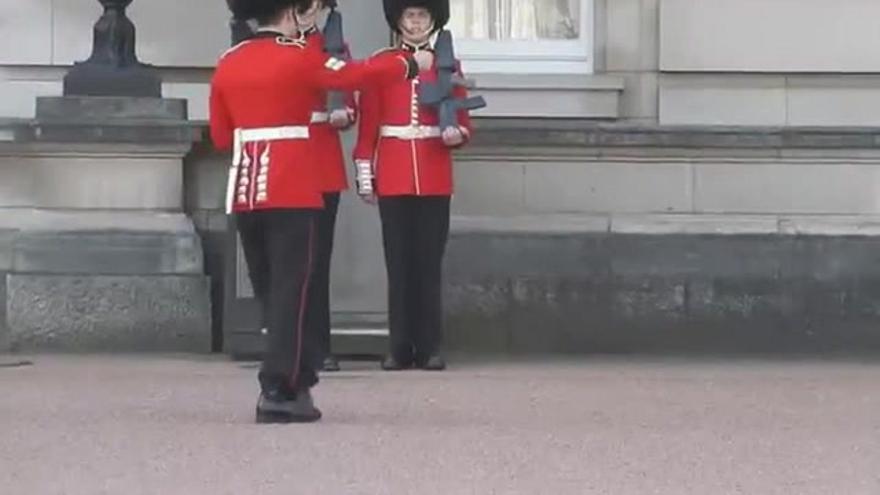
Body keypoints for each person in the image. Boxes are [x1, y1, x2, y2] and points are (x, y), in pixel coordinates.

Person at [211, 0, 421, 423]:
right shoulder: (298, 57)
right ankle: (281, 387)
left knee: (272, 294)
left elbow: (220, 135)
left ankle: (293, 374)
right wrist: (407, 63)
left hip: (247, 189)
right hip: (291, 188)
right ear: (290, 14)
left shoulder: (229, 61)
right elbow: (357, 75)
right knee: (295, 292)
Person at [353, 0, 474, 371]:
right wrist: (364, 174)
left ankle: (430, 346)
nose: (416, 22)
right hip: (392, 173)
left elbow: (463, 118)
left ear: (432, 21)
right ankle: (400, 347)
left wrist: (458, 133)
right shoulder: (384, 63)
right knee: (399, 265)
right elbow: (369, 125)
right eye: (410, 15)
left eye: (423, 15)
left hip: (433, 173)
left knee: (428, 265)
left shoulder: (447, 65)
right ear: (399, 21)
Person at [296, 0, 357, 373]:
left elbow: (350, 95)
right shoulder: (275, 46)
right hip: (286, 159)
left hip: (320, 161)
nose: (306, 11)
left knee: (317, 260)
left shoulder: (333, 47)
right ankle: (289, 343)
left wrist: (345, 112)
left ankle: (319, 345)